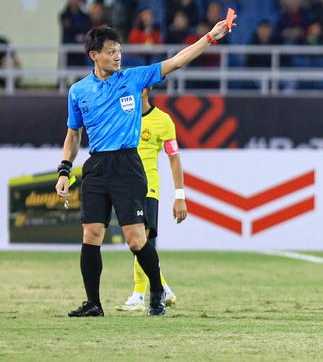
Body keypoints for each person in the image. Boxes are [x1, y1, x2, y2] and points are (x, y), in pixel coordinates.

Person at [55, 18, 233, 317]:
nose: (117, 56)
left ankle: (157, 289)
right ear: (94, 55)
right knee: (91, 234)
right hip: (96, 166)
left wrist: (211, 38)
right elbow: (74, 134)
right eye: (111, 51)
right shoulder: (78, 91)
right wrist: (64, 170)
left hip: (127, 164)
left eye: (119, 50)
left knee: (136, 239)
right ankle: (93, 304)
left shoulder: (134, 78)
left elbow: (177, 61)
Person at [115, 86, 188, 311]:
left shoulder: (163, 121)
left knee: (141, 238)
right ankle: (163, 288)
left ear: (145, 90)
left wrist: (179, 196)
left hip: (148, 188)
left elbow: (174, 158)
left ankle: (139, 295)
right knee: (137, 244)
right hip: (126, 187)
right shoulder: (121, 117)